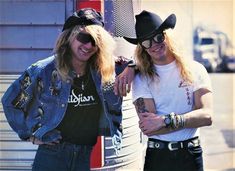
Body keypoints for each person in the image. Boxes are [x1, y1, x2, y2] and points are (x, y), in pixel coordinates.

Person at [1, 8, 135, 171]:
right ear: (69, 37)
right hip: (52, 157)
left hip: (84, 156)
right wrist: (30, 135)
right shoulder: (44, 70)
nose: (89, 46)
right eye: (84, 38)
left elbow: (147, 62)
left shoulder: (104, 69)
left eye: (95, 41)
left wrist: (132, 67)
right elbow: (10, 101)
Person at [123, 10, 213, 171]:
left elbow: (206, 116)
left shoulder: (195, 69)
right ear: (142, 47)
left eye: (158, 37)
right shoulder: (140, 77)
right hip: (158, 156)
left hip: (191, 155)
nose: (154, 45)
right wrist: (188, 120)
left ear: (167, 36)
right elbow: (149, 127)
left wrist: (165, 121)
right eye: (146, 42)